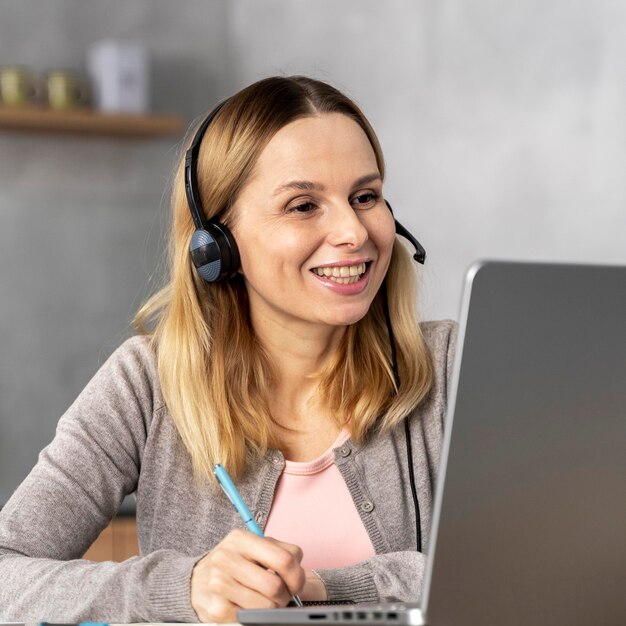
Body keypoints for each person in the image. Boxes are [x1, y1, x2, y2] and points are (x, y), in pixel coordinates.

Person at [0, 75, 456, 624]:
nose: (354, 232)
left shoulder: (453, 364)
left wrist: (317, 590)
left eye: (365, 197)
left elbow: (526, 561)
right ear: (217, 243)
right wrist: (184, 586)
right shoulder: (147, 383)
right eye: (304, 204)